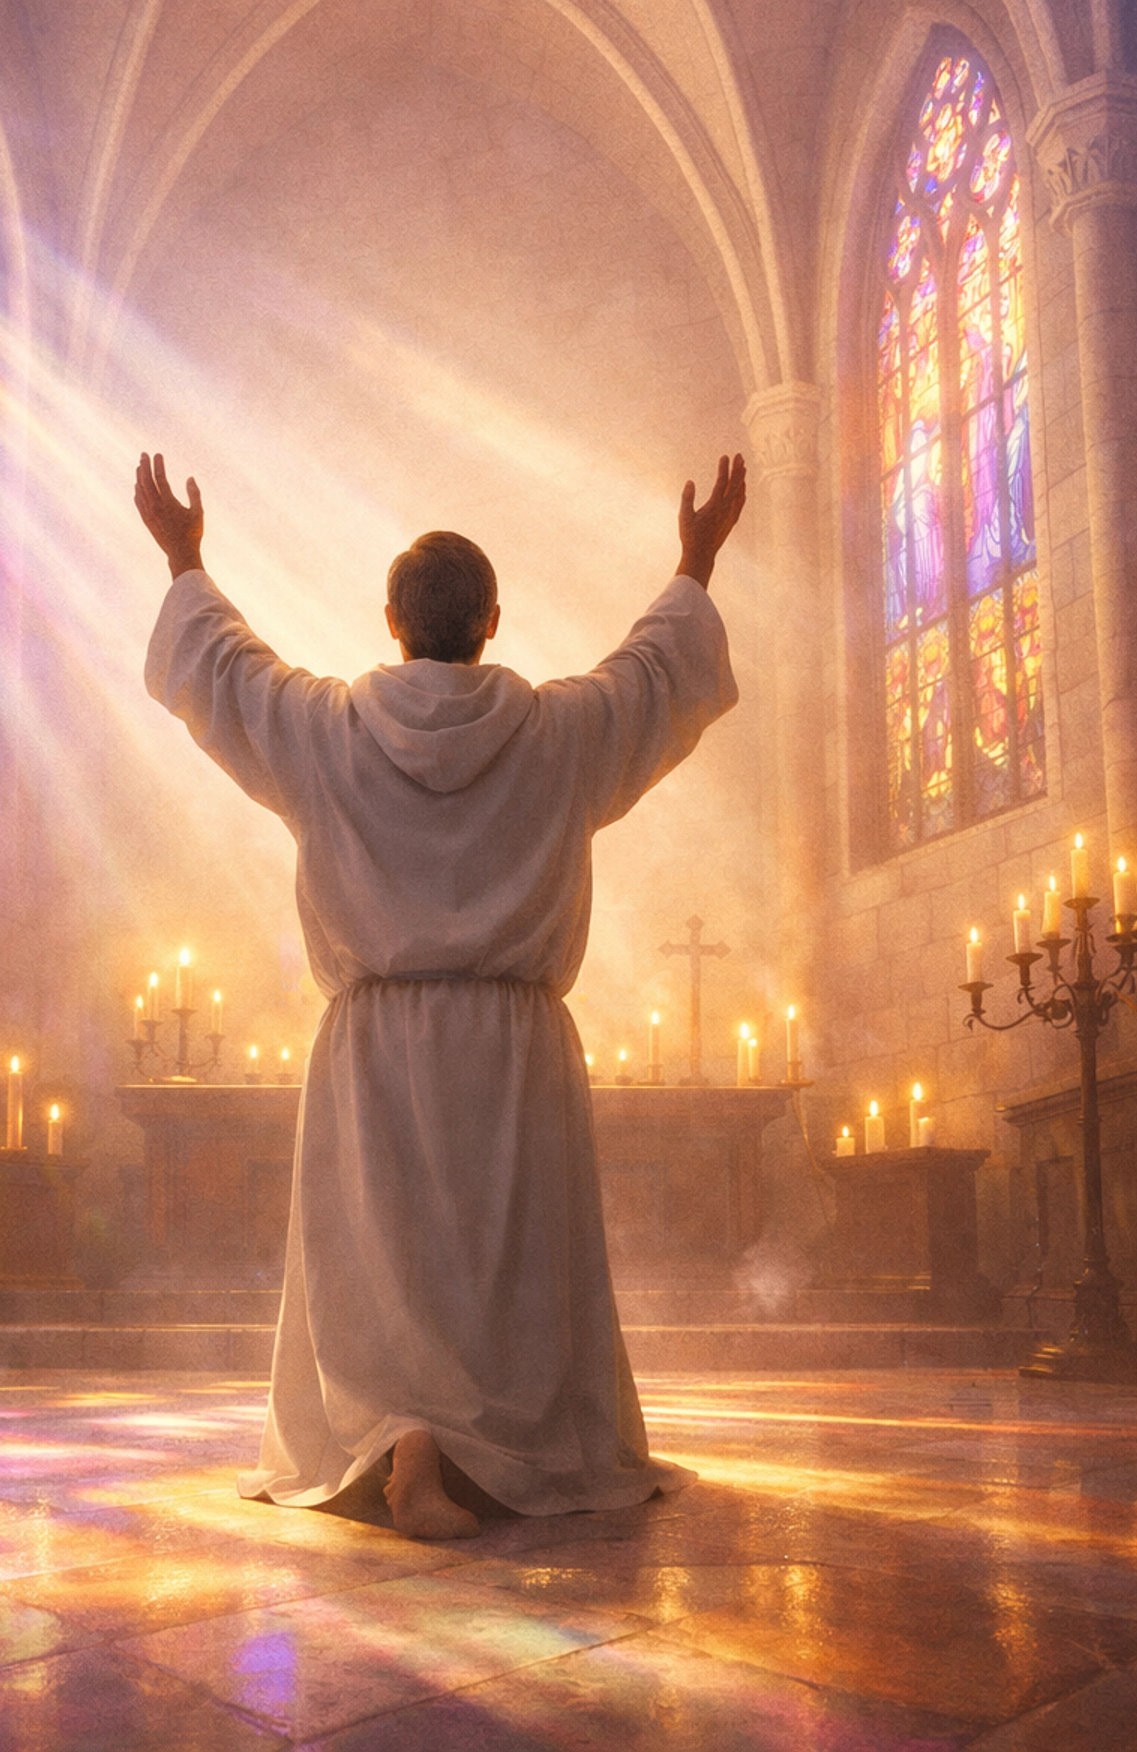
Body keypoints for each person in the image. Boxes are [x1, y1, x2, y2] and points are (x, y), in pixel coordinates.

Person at [137, 450, 745, 1539]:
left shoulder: (326, 731)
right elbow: (653, 675)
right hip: (513, 1046)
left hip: (375, 1045)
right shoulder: (558, 735)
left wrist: (185, 560)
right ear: (495, 620)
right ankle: (480, 1449)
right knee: (505, 1266)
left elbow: (226, 671)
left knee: (391, 1258)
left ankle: (399, 1436)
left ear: (389, 621)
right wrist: (696, 563)